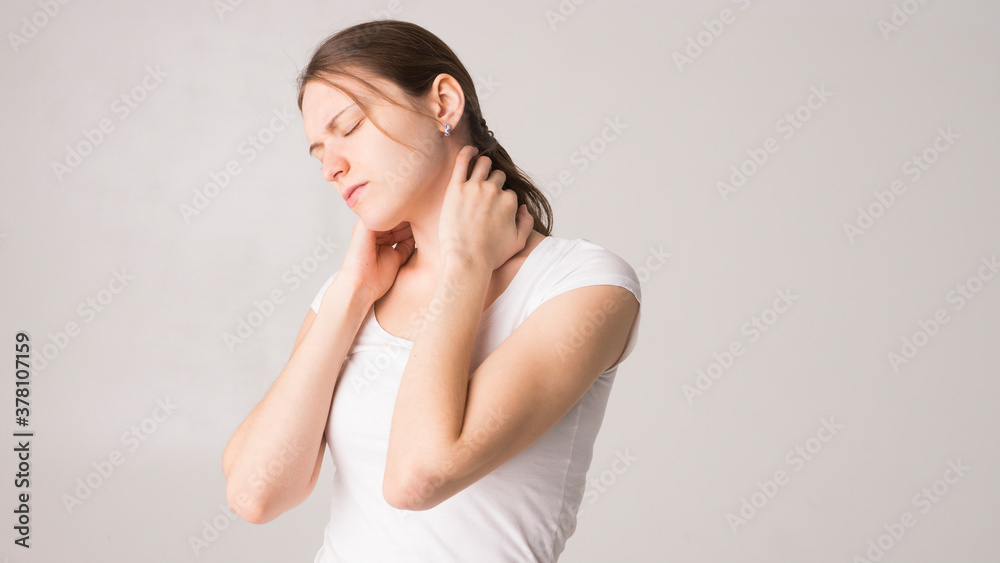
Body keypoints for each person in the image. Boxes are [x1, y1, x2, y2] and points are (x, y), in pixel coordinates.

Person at [222, 19, 642, 562]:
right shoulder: (351, 297)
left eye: (348, 127)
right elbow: (255, 494)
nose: (330, 166)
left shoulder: (582, 285)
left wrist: (465, 267)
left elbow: (417, 476)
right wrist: (351, 294)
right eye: (318, 151)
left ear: (443, 103)